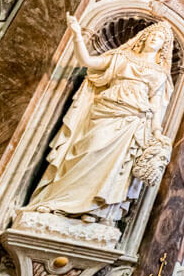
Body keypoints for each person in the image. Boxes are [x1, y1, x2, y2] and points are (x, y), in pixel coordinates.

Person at [22, 17, 174, 225]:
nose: (155, 39)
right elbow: (88, 62)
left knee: (114, 169)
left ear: (164, 46)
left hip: (133, 121)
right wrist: (77, 35)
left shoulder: (160, 73)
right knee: (88, 151)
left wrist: (157, 132)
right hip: (106, 112)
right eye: (153, 35)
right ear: (144, 37)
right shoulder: (122, 57)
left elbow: (156, 106)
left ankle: (95, 210)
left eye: (160, 38)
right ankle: (61, 201)